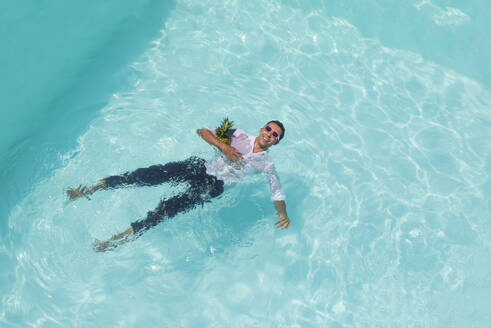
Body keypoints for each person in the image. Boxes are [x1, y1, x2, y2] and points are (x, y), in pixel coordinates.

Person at [67, 120, 290, 251]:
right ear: (262, 128)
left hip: (214, 186)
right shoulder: (239, 134)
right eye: (268, 130)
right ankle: (89, 190)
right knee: (146, 175)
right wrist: (224, 147)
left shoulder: (267, 164)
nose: (270, 135)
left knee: (166, 210)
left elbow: (276, 191)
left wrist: (282, 213)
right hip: (200, 167)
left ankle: (113, 241)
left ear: (277, 142)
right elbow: (203, 131)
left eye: (275, 135)